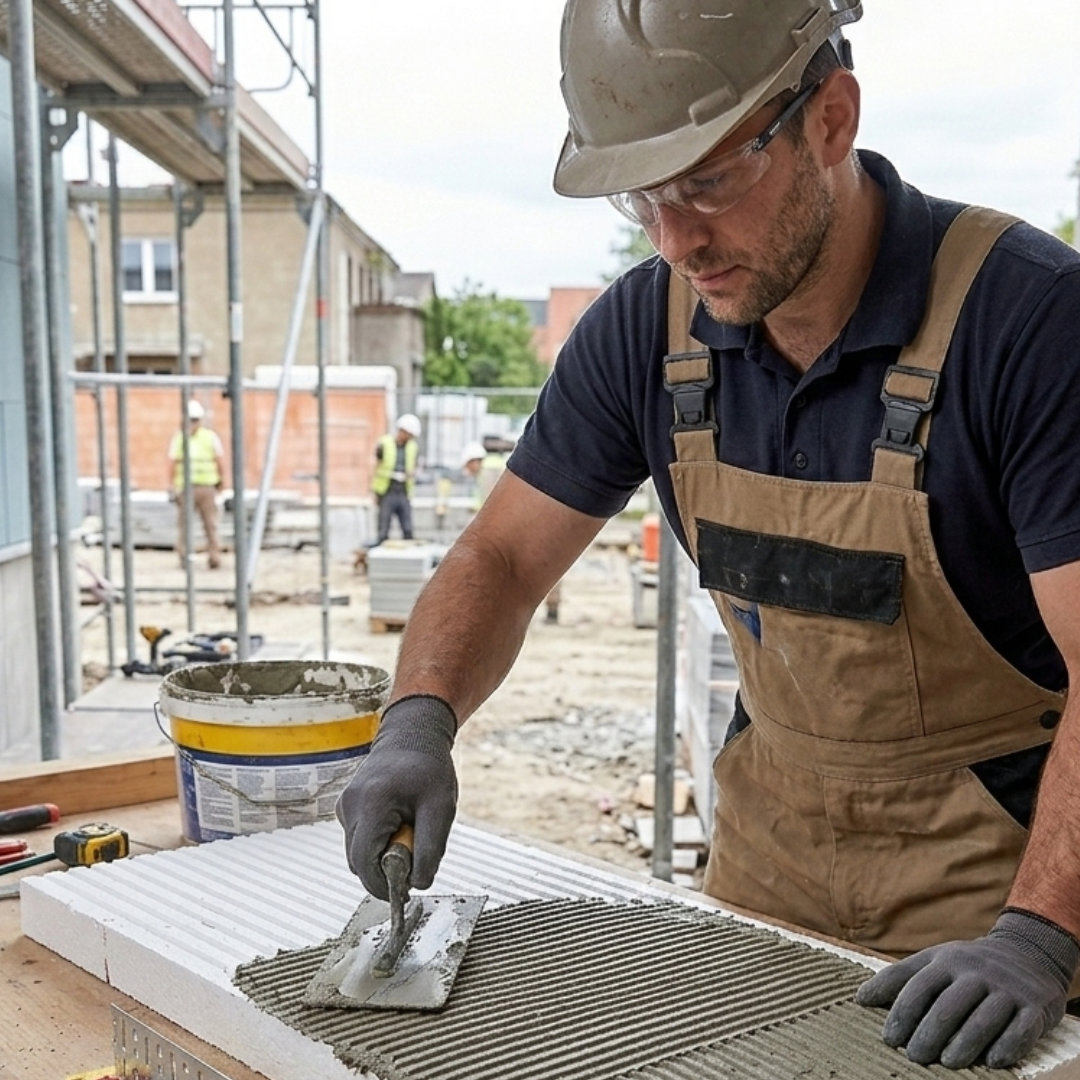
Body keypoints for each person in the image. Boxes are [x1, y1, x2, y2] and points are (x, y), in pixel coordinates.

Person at [337, 1, 1080, 1068]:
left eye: (710, 181)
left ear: (831, 119)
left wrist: (1041, 935)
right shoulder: (648, 330)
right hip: (764, 889)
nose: (677, 237)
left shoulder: (1032, 325)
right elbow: (501, 559)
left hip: (997, 916)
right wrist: (417, 721)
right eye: (646, 195)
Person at [461, 440, 561, 623]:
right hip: (535, 518)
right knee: (547, 564)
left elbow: (494, 505)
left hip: (529, 521)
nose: (469, 470)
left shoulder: (488, 471)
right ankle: (550, 611)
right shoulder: (495, 466)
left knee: (538, 564)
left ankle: (534, 611)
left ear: (474, 460)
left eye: (468, 465)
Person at [167, 398, 224, 569]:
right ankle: (184, 557)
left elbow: (219, 460)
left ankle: (214, 557)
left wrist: (222, 482)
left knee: (210, 525)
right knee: (184, 525)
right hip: (186, 487)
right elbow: (172, 462)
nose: (193, 423)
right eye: (190, 419)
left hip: (207, 487)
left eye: (195, 420)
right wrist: (172, 486)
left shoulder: (209, 437)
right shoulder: (179, 438)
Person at [371, 414, 421, 545]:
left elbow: (415, 465)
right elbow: (376, 465)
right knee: (383, 530)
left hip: (403, 490)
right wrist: (374, 492)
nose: (410, 438)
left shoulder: (413, 447)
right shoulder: (384, 443)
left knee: (408, 529)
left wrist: (412, 473)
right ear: (402, 431)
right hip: (387, 490)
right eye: (408, 434)